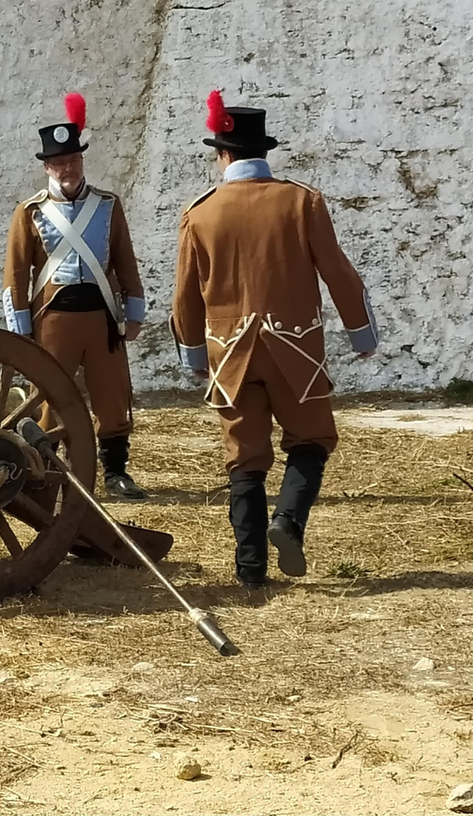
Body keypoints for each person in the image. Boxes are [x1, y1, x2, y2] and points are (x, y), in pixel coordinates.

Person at [171, 91, 380, 585]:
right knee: (311, 439)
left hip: (230, 354)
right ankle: (287, 520)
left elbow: (185, 295)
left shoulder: (199, 214)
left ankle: (249, 571)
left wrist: (194, 355)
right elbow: (338, 274)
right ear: (264, 153)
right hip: (296, 349)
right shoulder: (301, 201)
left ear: (222, 154)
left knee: (243, 457)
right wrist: (360, 332)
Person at [2, 93, 149, 499]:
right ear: (47, 167)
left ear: (81, 161)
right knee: (50, 395)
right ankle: (48, 473)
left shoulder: (108, 205)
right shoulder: (29, 213)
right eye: (59, 163)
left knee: (112, 395)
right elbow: (15, 273)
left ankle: (116, 471)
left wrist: (133, 312)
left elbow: (124, 262)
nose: (68, 169)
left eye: (73, 160)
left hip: (101, 317)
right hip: (53, 317)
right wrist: (20, 327)